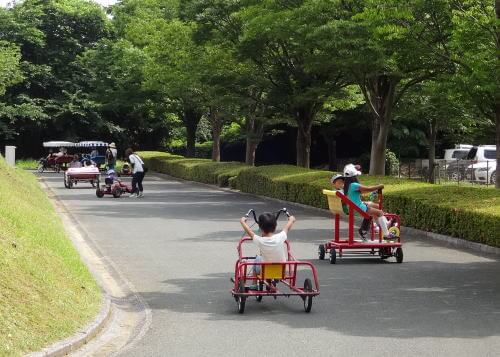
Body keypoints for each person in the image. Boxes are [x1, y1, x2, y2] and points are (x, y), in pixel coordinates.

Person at [343, 164, 396, 242]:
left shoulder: (347, 185)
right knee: (380, 212)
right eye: (356, 176)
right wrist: (379, 186)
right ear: (353, 176)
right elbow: (368, 189)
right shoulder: (354, 185)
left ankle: (383, 224)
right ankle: (386, 234)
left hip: (353, 207)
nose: (357, 177)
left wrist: (374, 190)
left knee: (375, 206)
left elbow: (363, 191)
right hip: (358, 207)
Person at [240, 212, 297, 278]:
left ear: (260, 228)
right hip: (281, 272)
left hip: (264, 272)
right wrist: (291, 220)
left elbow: (249, 232)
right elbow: (287, 228)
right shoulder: (280, 236)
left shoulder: (260, 240)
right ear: (275, 226)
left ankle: (254, 283)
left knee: (257, 258)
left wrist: (242, 222)